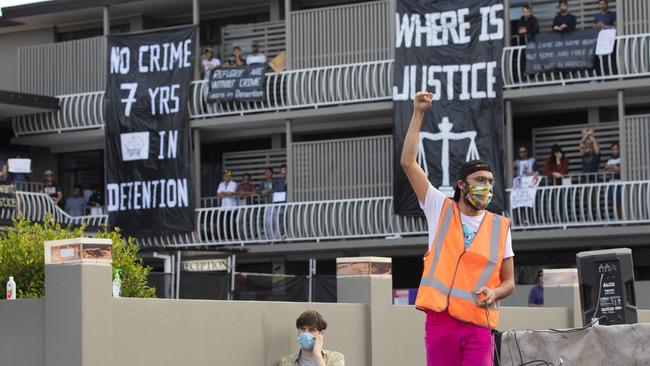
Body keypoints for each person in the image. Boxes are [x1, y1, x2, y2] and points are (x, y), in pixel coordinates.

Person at [401, 91, 515, 366]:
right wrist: (418, 113)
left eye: (490, 182)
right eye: (479, 180)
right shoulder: (439, 208)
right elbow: (408, 163)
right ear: (462, 185)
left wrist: (494, 293)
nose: (486, 187)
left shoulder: (500, 226)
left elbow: (509, 281)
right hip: (441, 320)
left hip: (479, 321)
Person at [279, 310, 345, 366]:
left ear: (321, 334)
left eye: (312, 330)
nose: (306, 333)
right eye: (302, 329)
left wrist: (317, 355)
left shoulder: (335, 358)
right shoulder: (285, 362)